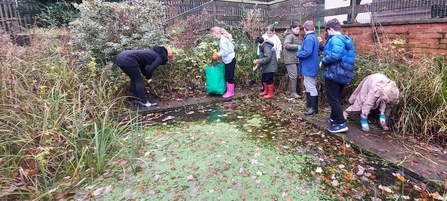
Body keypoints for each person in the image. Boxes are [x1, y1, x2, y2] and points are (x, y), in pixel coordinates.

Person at [321, 18, 355, 133]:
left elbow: (335, 55)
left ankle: (341, 123)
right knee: (337, 97)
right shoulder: (346, 39)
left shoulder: (335, 39)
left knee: (332, 98)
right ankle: (334, 118)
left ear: (330, 29)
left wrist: (323, 61)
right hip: (343, 73)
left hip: (334, 73)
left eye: (327, 30)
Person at [296, 20, 320, 116]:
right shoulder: (313, 37)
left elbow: (307, 52)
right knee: (307, 83)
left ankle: (314, 108)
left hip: (309, 65)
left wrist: (298, 54)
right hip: (310, 65)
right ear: (313, 28)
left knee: (310, 85)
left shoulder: (309, 38)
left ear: (305, 29)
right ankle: (309, 103)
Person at [211, 26, 236, 99]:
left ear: (218, 33)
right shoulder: (223, 39)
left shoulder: (223, 40)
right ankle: (229, 91)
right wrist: (218, 53)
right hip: (229, 59)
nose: (214, 37)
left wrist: (217, 55)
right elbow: (228, 49)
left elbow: (225, 51)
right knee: (227, 76)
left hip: (230, 60)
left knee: (229, 76)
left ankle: (230, 92)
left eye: (215, 35)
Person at [283, 21, 302, 99]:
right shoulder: (290, 35)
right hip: (290, 59)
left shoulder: (294, 35)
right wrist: (297, 46)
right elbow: (286, 45)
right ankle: (293, 93)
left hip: (293, 59)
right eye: (297, 29)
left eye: (299, 29)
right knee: (293, 76)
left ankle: (290, 91)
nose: (298, 30)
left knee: (293, 76)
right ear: (292, 28)